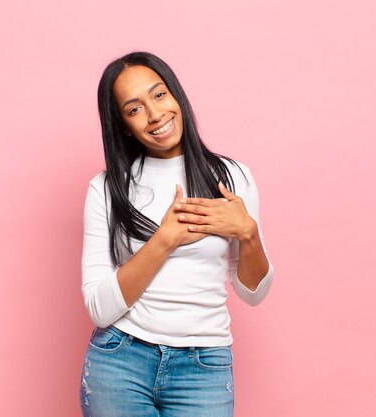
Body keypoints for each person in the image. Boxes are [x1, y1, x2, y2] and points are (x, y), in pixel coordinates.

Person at [79, 51, 274, 417]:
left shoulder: (233, 177)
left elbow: (254, 294)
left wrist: (248, 233)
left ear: (175, 95)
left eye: (159, 95)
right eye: (134, 109)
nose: (155, 115)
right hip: (120, 360)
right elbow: (99, 308)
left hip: (204, 367)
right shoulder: (106, 189)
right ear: (122, 124)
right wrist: (165, 239)